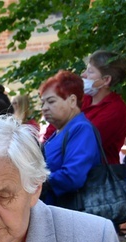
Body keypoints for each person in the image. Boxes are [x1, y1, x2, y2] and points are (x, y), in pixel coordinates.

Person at [39, 70, 101, 207]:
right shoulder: (60, 131)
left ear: (72, 101)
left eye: (51, 101)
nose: (44, 108)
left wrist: (35, 179)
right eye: (42, 103)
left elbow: (72, 177)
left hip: (73, 214)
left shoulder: (81, 129)